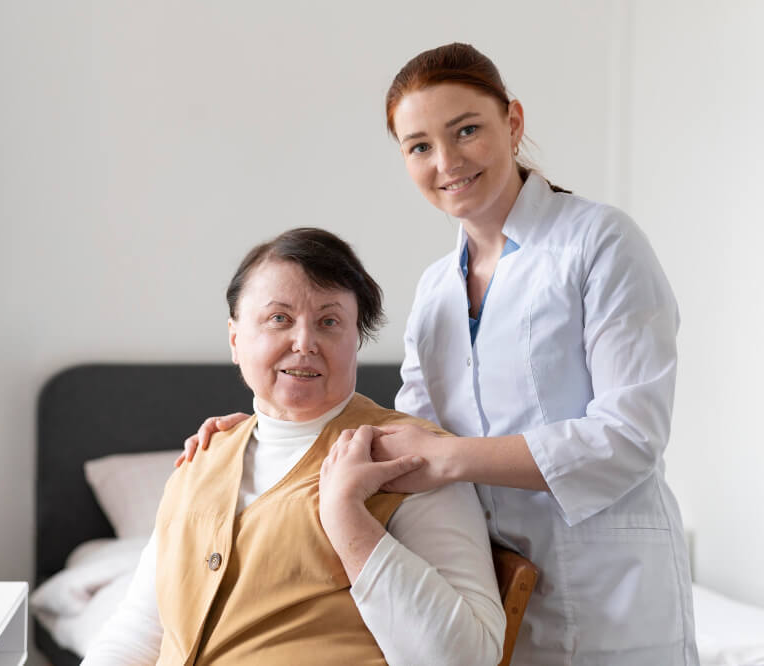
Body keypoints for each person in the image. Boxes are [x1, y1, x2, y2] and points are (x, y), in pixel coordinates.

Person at [179, 44, 698, 665]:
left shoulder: (599, 243)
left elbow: (631, 436)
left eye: (467, 130)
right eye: (419, 146)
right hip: (487, 587)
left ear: (512, 123)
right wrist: (268, 434)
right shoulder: (434, 291)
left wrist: (450, 460)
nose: (446, 161)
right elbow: (398, 438)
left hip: (611, 587)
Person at [82, 228, 505, 665]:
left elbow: (467, 658)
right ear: (234, 339)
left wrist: (349, 523)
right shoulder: (201, 459)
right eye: (279, 319)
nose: (304, 343)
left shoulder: (412, 459)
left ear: (353, 343)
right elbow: (138, 633)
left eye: (329, 322)